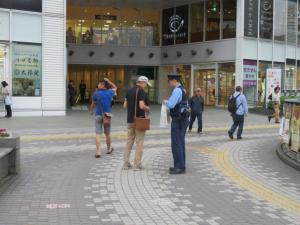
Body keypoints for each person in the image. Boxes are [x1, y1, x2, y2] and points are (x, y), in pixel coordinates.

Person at [123, 76, 151, 171]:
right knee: (139, 143)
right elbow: (141, 105)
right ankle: (136, 164)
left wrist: (131, 111)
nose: (146, 86)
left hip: (130, 120)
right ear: (142, 82)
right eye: (146, 84)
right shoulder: (142, 92)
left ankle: (126, 164)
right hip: (139, 120)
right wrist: (148, 109)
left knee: (129, 142)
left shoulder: (129, 91)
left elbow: (125, 105)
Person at [165, 74, 190, 175]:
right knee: (180, 142)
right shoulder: (183, 89)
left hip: (178, 119)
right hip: (183, 119)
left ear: (174, 80)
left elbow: (171, 104)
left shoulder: (177, 90)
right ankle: (180, 165)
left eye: (169, 81)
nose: (169, 83)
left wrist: (165, 102)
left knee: (176, 143)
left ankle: (179, 167)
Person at [90, 78, 117, 158]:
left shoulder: (96, 93)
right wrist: (109, 81)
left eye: (99, 84)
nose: (98, 85)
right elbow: (115, 87)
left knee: (98, 133)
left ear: (102, 85)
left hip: (98, 115)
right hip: (107, 116)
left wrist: (91, 110)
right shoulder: (110, 92)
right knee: (107, 133)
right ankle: (109, 149)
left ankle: (98, 152)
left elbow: (93, 103)